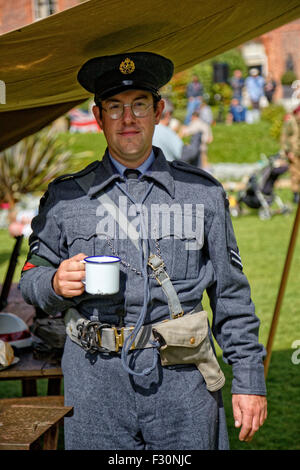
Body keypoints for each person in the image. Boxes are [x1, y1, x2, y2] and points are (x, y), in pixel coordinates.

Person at [20, 51, 267, 450]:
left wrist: (249, 379)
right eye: (115, 108)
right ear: (98, 118)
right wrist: (52, 281)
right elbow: (31, 277)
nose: (128, 119)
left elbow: (231, 295)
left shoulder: (202, 193)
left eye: (139, 105)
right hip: (95, 386)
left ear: (159, 111)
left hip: (183, 385)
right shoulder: (66, 198)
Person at [152, 98, 202, 164]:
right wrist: (196, 136)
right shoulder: (166, 131)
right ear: (167, 114)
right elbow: (185, 155)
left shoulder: (149, 129)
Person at [280, 105, 300, 203]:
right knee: (295, 174)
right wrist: (288, 152)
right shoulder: (290, 123)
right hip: (294, 153)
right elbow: (284, 138)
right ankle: (296, 195)